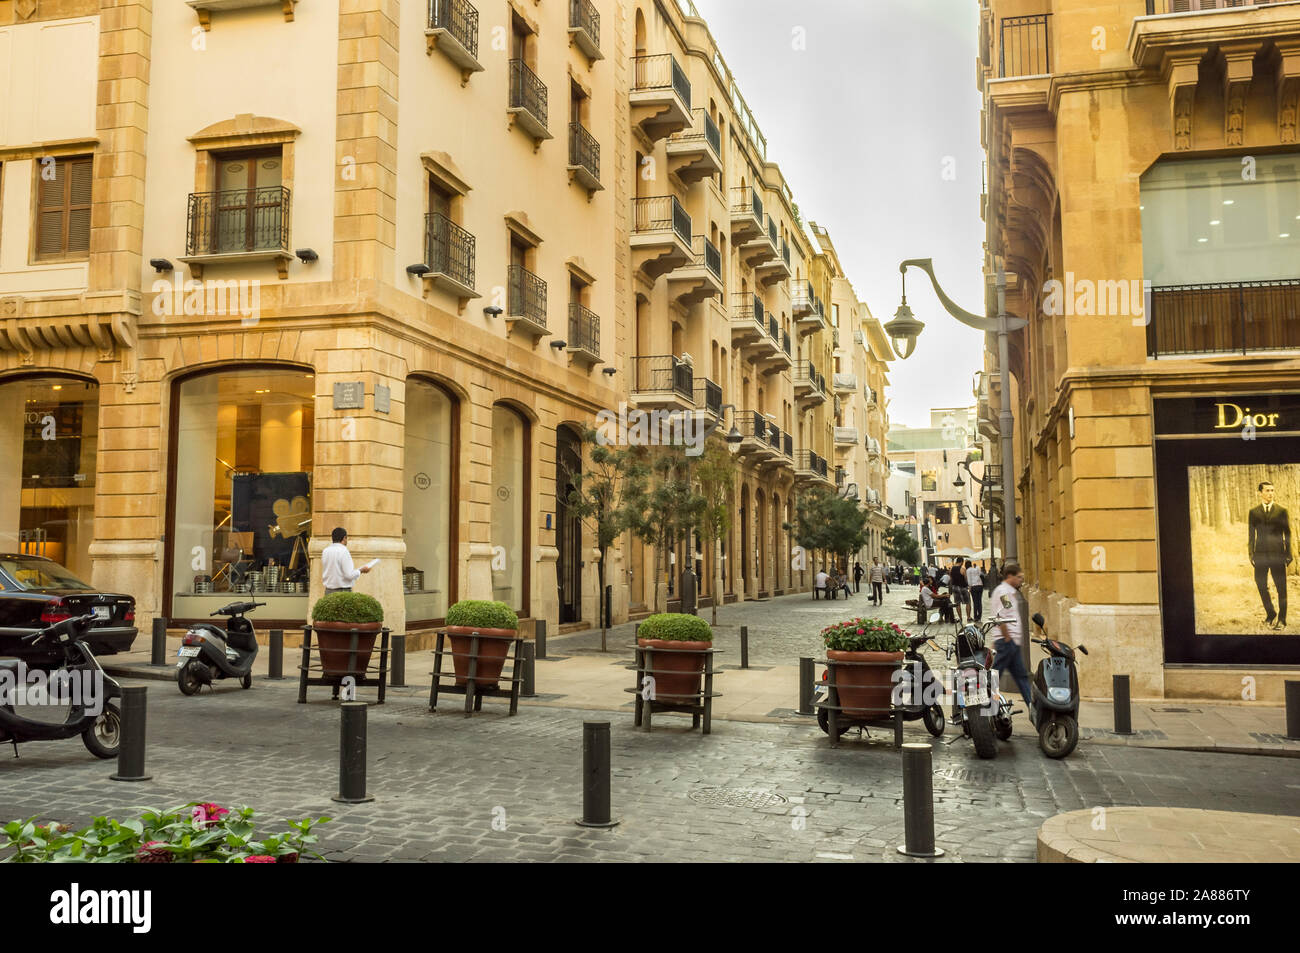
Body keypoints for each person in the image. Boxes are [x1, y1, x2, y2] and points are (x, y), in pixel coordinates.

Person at [1248, 480, 1292, 630]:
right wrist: (1251, 554)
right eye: (1267, 490)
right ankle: (1271, 613)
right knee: (1261, 585)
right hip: (1260, 556)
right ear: (1260, 493)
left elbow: (1288, 533)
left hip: (1278, 555)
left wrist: (1289, 554)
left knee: (1281, 588)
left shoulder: (1281, 511)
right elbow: (1251, 535)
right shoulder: (1253, 512)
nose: (1270, 493)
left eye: (1272, 490)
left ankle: (1282, 619)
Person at [990, 563, 1032, 712]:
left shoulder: (1008, 592)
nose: (1021, 580)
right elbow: (1001, 616)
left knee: (1021, 678)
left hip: (1010, 642)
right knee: (994, 678)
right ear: (1010, 576)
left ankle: (1034, 710)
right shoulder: (1003, 592)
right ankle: (987, 707)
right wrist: (1007, 637)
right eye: (1019, 577)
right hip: (1007, 642)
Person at [322, 527, 371, 593]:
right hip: (342, 592)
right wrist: (361, 570)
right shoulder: (343, 551)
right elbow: (349, 575)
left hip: (328, 591)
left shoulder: (325, 551)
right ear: (344, 538)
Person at [950, 558, 971, 623]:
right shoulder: (963, 569)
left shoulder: (951, 569)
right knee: (968, 602)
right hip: (962, 587)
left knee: (957, 603)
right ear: (961, 561)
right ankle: (968, 617)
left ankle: (960, 618)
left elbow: (951, 579)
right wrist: (968, 587)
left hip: (954, 587)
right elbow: (966, 579)